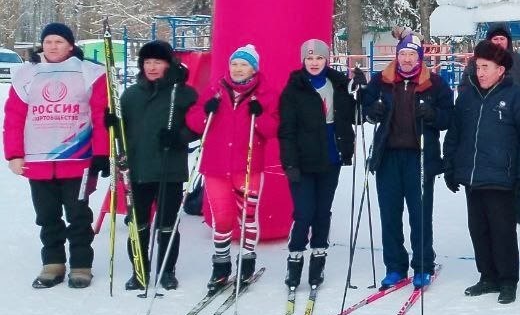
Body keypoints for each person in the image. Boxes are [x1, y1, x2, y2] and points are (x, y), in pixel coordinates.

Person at [4, 22, 109, 288]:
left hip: (78, 159)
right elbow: (14, 117)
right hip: (38, 161)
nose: (53, 46)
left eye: (59, 42)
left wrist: (102, 152)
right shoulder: (27, 74)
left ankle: (81, 265)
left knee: (78, 215)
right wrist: (14, 154)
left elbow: (100, 114)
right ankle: (53, 263)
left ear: (70, 45)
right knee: (47, 215)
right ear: (42, 44)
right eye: (49, 41)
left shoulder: (90, 73)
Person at [443, 40, 520, 304]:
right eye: (478, 67)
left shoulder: (518, 98)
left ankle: (508, 280)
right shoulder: (466, 96)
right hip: (473, 177)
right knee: (478, 229)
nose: (480, 72)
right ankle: (487, 276)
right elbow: (454, 135)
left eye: (486, 67)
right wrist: (450, 167)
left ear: (501, 70)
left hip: (502, 177)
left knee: (503, 231)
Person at [363, 33, 454, 289]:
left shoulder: (434, 84)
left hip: (420, 157)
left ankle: (423, 265)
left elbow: (449, 117)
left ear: (420, 57)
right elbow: (365, 108)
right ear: (397, 56)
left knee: (420, 214)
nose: (406, 59)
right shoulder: (381, 81)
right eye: (402, 53)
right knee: (390, 214)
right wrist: (372, 110)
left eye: (412, 54)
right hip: (388, 156)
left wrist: (433, 114)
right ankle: (394, 266)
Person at [118, 39, 202, 291]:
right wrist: (111, 122)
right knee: (138, 222)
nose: (152, 67)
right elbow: (120, 131)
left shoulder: (183, 93)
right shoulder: (131, 95)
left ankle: (167, 270)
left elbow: (198, 125)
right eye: (147, 62)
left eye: (158, 62)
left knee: (167, 223)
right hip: (138, 169)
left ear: (169, 64)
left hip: (170, 169)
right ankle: (139, 270)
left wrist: (180, 137)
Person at [278, 39, 356, 292]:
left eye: (319, 58)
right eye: (309, 58)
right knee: (304, 213)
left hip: (330, 158)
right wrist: (289, 162)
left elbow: (352, 114)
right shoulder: (293, 89)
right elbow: (286, 131)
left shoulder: (338, 85)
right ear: (303, 60)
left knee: (323, 213)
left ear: (326, 59)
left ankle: (318, 259)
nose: (314, 63)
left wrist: (361, 91)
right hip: (302, 162)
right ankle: (295, 259)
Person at [200, 45, 277, 294]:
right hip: (216, 166)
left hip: (247, 166)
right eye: (234, 64)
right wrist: (205, 111)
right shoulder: (215, 90)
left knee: (247, 217)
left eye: (243, 64)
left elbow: (272, 128)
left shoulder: (265, 92)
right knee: (221, 218)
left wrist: (261, 115)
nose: (238, 69)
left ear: (253, 68)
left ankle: (246, 262)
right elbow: (195, 121)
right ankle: (221, 266)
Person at [463, 24, 520, 227]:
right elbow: (466, 88)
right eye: (494, 39)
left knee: (513, 169)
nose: (498, 42)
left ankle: (518, 212)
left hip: (515, 119)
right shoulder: (475, 64)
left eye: (502, 39)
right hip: (487, 119)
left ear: (508, 41)